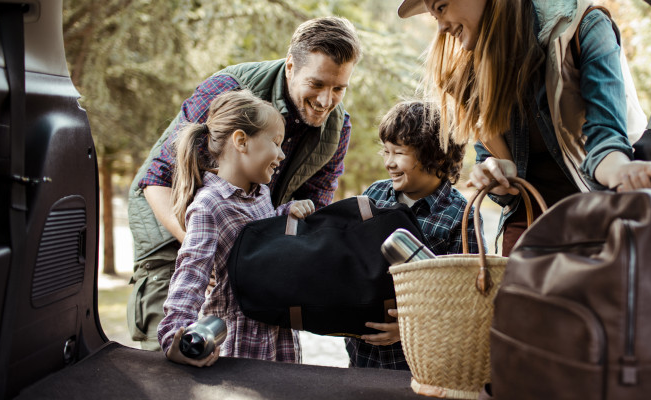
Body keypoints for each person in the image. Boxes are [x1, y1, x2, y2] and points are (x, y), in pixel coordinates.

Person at [126, 17, 361, 350]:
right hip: (174, 229)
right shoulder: (229, 87)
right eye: (318, 84)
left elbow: (312, 212)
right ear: (291, 66)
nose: (326, 100)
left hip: (246, 244)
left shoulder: (338, 129)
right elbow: (157, 178)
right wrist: (209, 255)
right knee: (170, 356)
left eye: (339, 88)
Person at [398, 0, 651, 255]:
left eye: (442, 7)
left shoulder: (584, 27)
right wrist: (496, 175)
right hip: (527, 229)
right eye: (435, 17)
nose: (441, 28)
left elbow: (606, 139)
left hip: (596, 221)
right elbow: (495, 166)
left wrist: (622, 172)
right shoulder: (471, 74)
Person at [156, 90, 315, 366]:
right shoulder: (209, 205)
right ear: (241, 141)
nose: (281, 154)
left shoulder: (260, 194)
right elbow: (191, 274)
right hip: (240, 342)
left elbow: (258, 237)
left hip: (278, 335)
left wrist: (284, 214)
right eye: (276, 143)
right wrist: (175, 337)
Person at [345, 100, 484, 370]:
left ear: (438, 156)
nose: (389, 162)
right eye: (385, 151)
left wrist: (407, 329)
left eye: (399, 153)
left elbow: (466, 299)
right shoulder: (374, 195)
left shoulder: (461, 216)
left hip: (418, 362)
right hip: (362, 356)